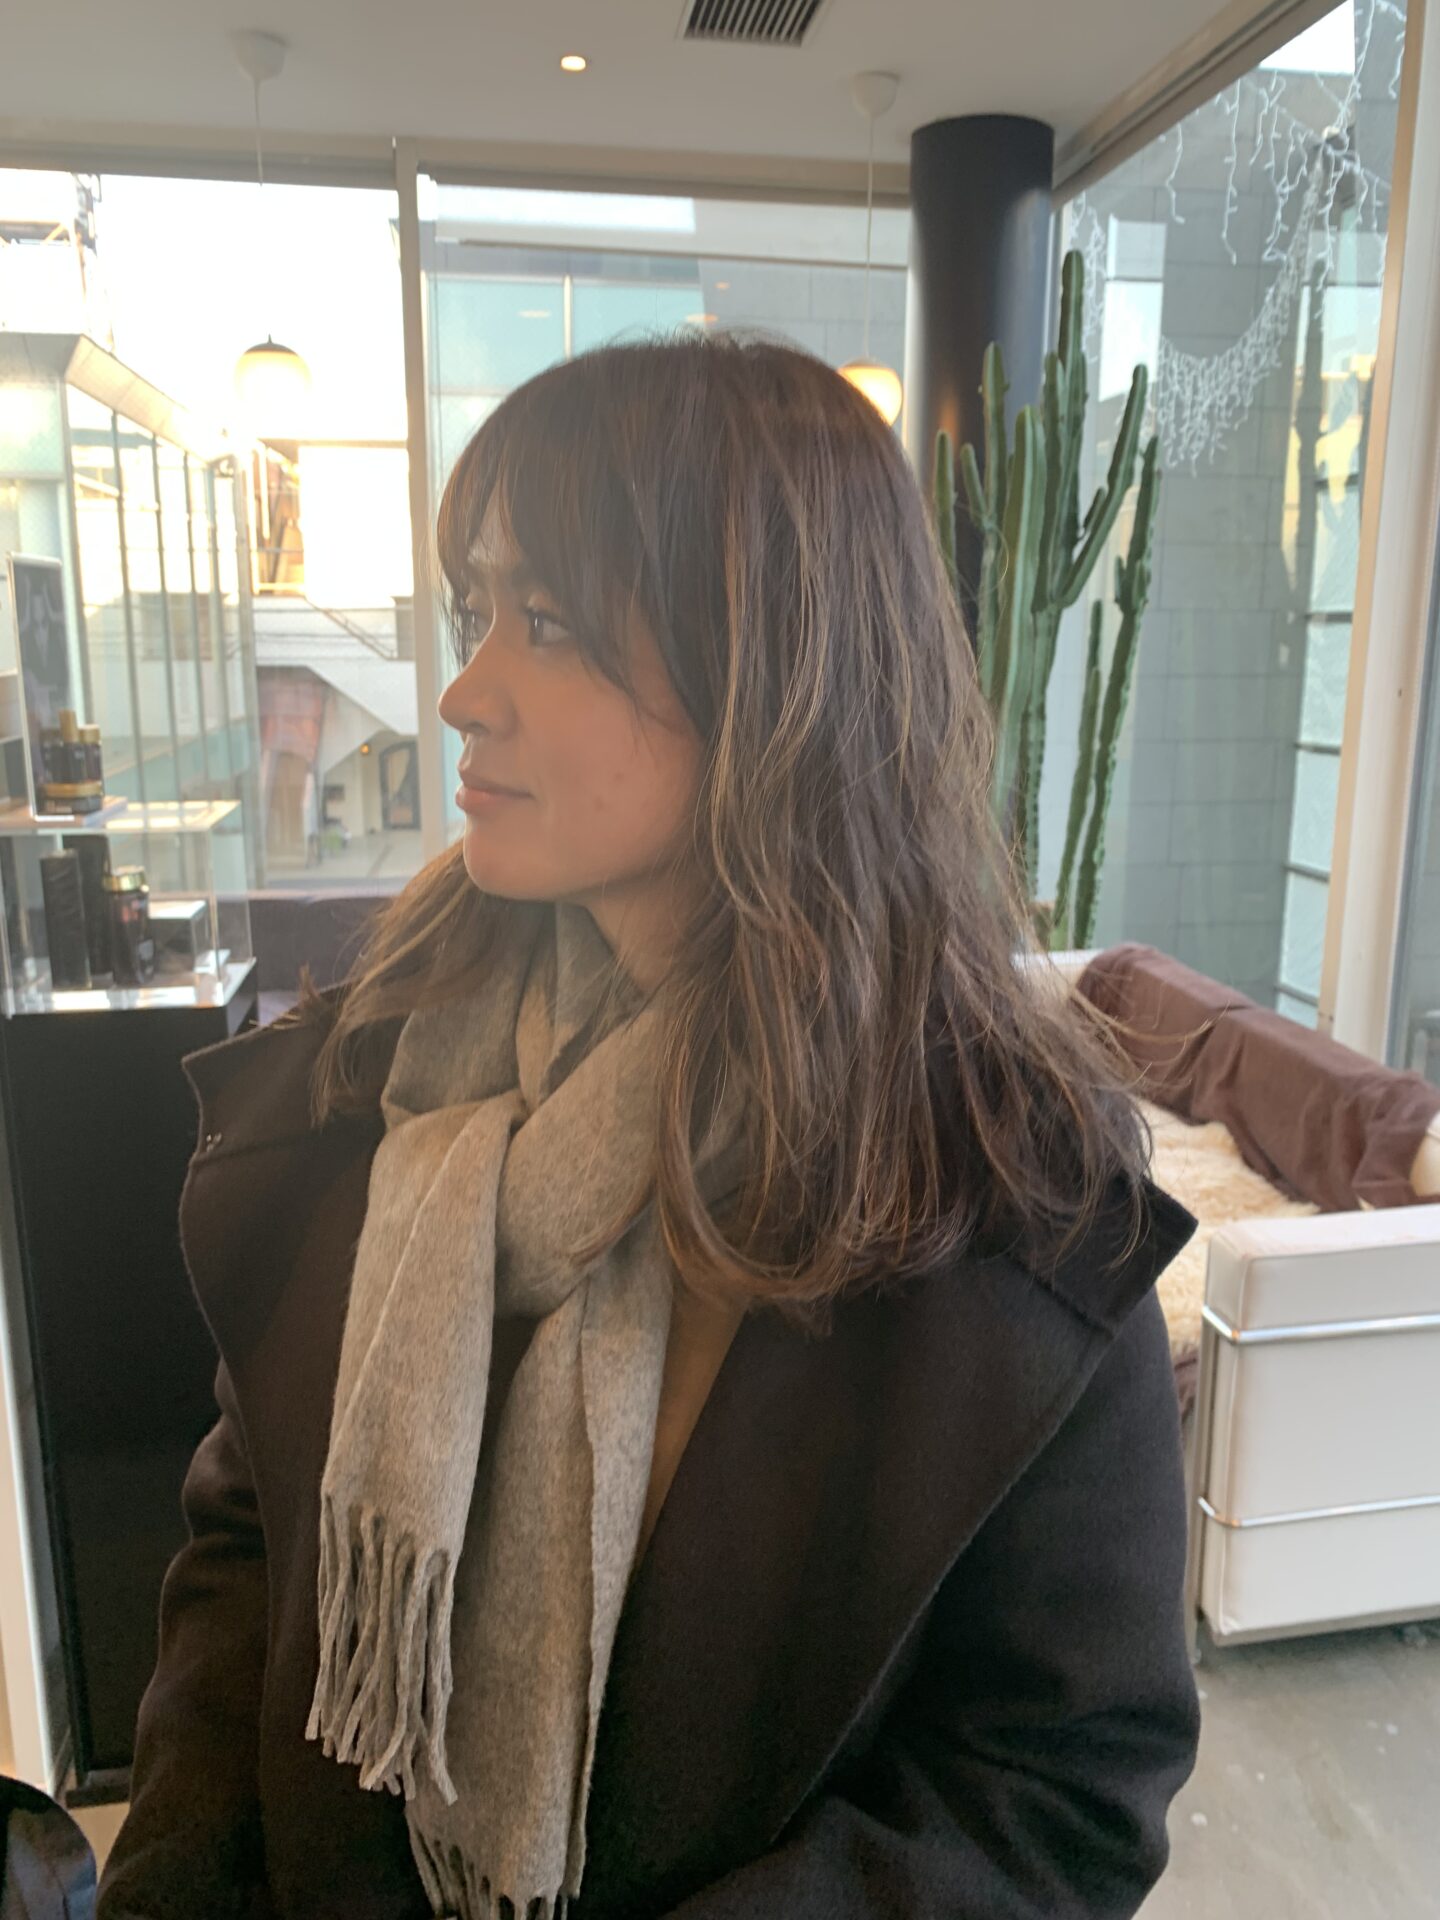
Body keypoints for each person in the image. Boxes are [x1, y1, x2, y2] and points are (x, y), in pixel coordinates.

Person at [97, 336, 1198, 1920]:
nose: (463, 693)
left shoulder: (1005, 1211)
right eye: (478, 611)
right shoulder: (378, 1070)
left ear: (766, 671)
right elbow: (248, 1548)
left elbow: (1054, 1782)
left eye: (546, 623)